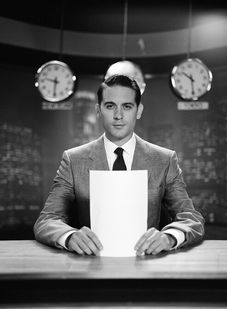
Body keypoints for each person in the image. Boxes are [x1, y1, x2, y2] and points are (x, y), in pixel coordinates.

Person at [34, 74, 204, 256]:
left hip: (147, 263)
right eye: (110, 106)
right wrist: (69, 236)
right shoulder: (73, 160)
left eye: (127, 106)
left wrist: (168, 238)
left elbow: (191, 218)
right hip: (90, 264)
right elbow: (46, 220)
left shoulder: (164, 160)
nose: (118, 115)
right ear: (98, 110)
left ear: (138, 111)